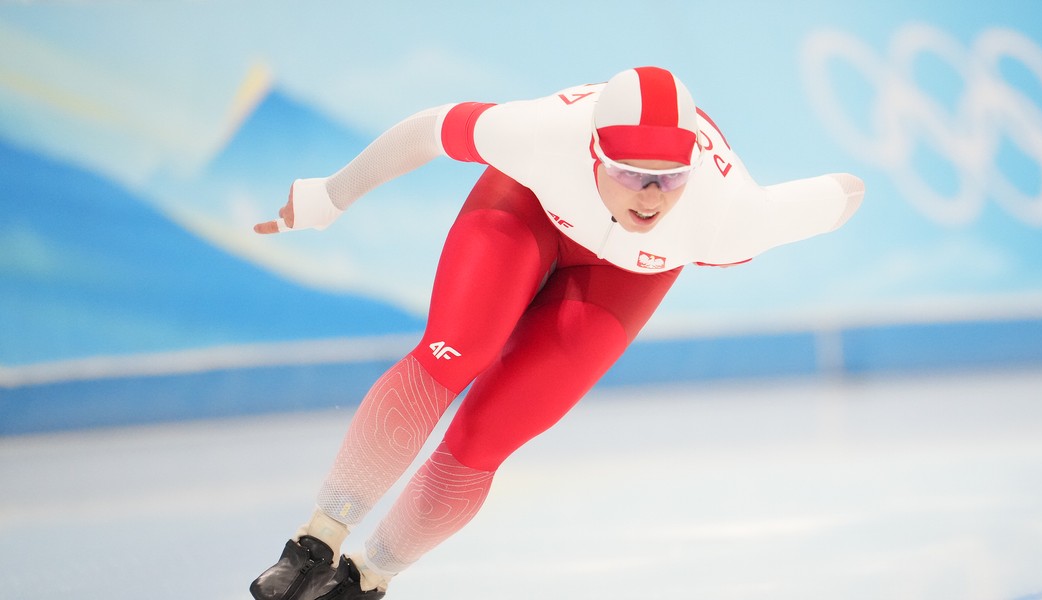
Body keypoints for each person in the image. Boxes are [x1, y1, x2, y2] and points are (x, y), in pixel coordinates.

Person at [248, 66, 865, 599]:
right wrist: (330, 196)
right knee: (455, 352)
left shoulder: (728, 216)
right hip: (527, 207)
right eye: (630, 173)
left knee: (491, 430)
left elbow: (839, 195)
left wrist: (846, 194)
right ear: (594, 151)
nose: (650, 198)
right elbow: (428, 129)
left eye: (670, 178)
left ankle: (366, 577)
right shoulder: (539, 136)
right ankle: (313, 542)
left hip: (626, 276)